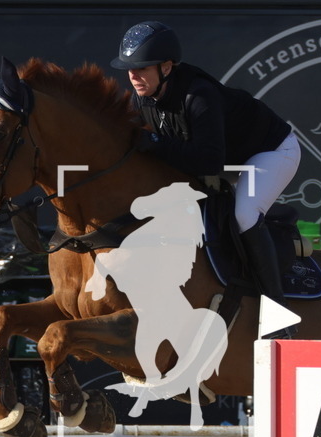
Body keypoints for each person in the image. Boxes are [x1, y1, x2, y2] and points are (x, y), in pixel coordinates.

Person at [110, 20, 301, 338]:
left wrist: (156, 144)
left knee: (243, 214)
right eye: (129, 69)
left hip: (271, 151)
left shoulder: (199, 96)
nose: (133, 75)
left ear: (167, 67)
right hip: (227, 155)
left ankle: (278, 316)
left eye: (142, 68)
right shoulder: (143, 99)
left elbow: (208, 162)